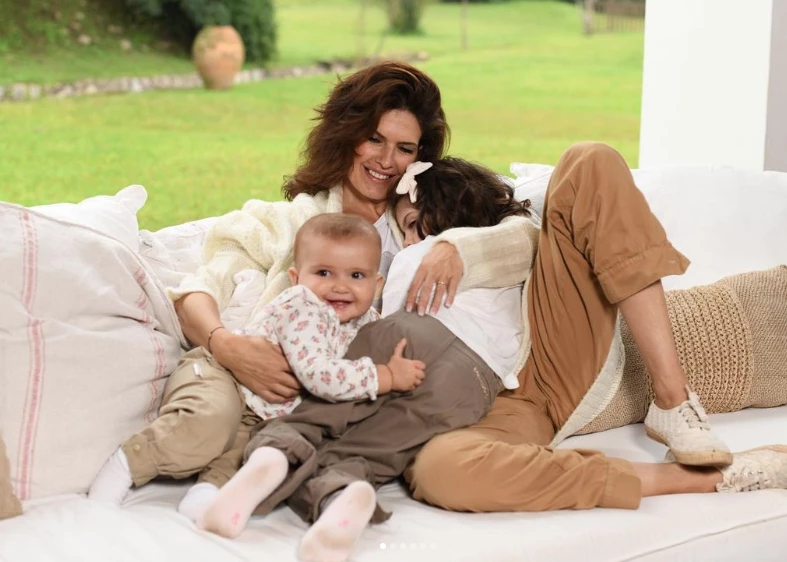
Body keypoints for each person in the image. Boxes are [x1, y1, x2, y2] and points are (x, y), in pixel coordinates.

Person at [86, 60, 536, 520]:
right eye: (374, 139)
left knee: (254, 455)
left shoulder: (425, 224)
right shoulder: (289, 222)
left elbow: (528, 234)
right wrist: (229, 347)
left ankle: (212, 511)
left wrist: (456, 249)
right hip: (234, 362)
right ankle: (121, 478)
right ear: (346, 135)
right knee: (206, 427)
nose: (386, 160)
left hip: (302, 402)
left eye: (404, 148)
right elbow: (198, 293)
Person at [403, 141, 787, 514]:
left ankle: (673, 399)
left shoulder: (498, 236)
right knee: (438, 469)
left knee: (588, 159)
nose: (407, 243)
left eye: (413, 226)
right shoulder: (377, 263)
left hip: (546, 361)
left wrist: (455, 248)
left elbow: (524, 237)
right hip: (498, 408)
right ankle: (703, 478)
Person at [197, 157, 533, 562]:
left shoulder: (426, 255)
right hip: (474, 383)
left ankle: (273, 457)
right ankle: (345, 491)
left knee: (319, 414)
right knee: (380, 448)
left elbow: (392, 317)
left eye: (411, 225)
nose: (407, 240)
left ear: (437, 215)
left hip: (409, 337)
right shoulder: (507, 262)